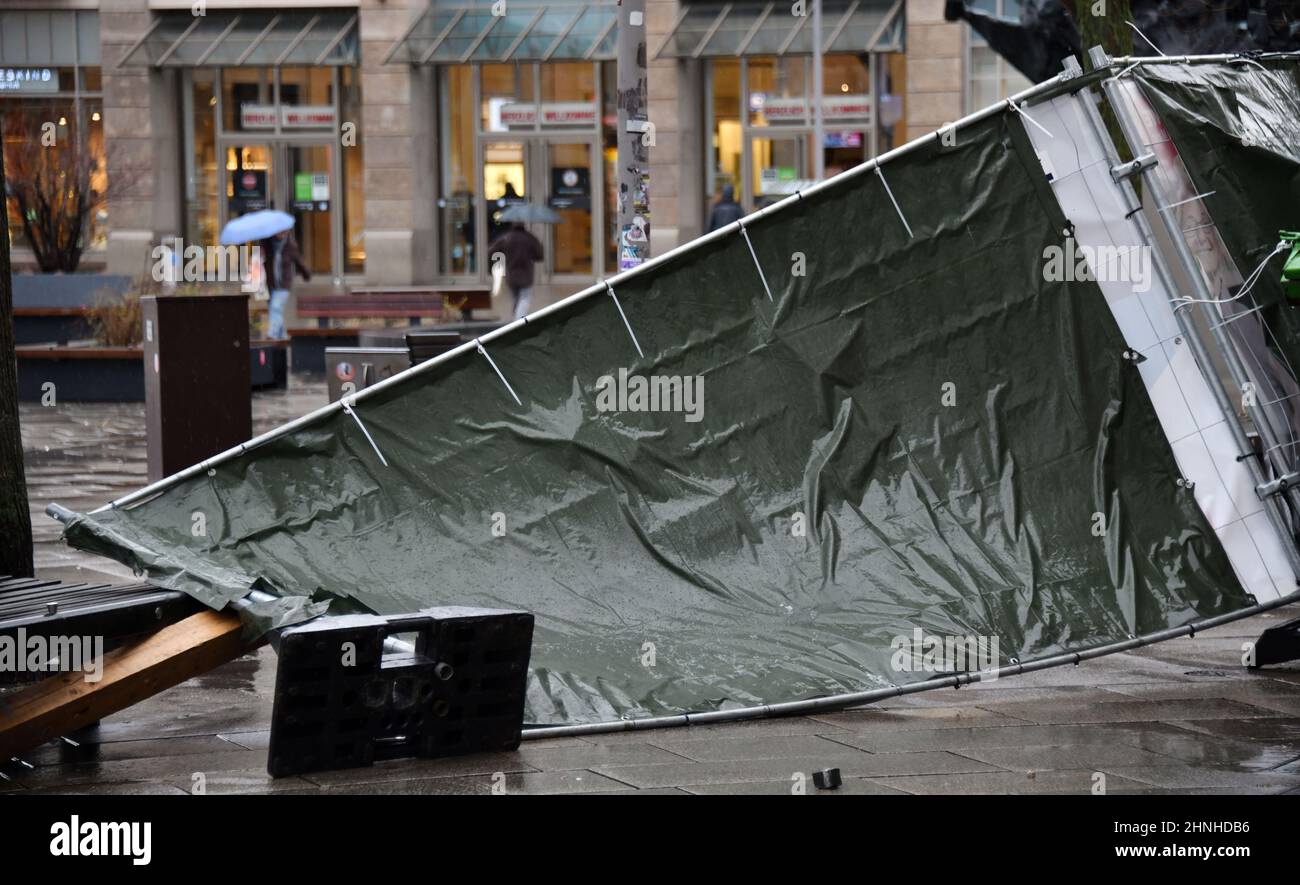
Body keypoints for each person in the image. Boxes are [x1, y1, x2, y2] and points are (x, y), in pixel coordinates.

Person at [259, 229, 310, 340]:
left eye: (284, 232)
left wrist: (306, 274)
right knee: (276, 311)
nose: (282, 234)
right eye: (279, 232)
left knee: (276, 308)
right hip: (271, 284)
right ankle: (282, 338)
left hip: (284, 285)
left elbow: (299, 261)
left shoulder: (290, 245)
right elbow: (262, 258)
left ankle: (272, 334)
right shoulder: (268, 244)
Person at [487, 222, 543, 320]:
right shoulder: (529, 238)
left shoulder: (507, 237)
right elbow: (539, 256)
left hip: (511, 275)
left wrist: (503, 255)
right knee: (525, 298)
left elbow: (491, 250)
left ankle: (516, 320)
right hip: (526, 275)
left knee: (515, 299)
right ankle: (518, 321)